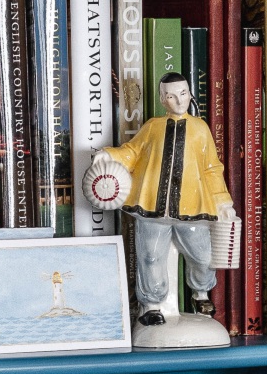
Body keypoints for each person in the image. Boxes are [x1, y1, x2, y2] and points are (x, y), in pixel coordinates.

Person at [84, 70, 237, 329]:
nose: (179, 101)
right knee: (150, 256)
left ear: (190, 94)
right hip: (153, 208)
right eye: (171, 97)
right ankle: (152, 304)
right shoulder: (153, 127)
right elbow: (131, 153)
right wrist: (107, 155)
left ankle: (200, 293)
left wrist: (223, 201)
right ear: (163, 100)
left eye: (183, 94)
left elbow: (212, 168)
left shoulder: (201, 129)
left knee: (202, 255)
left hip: (194, 208)